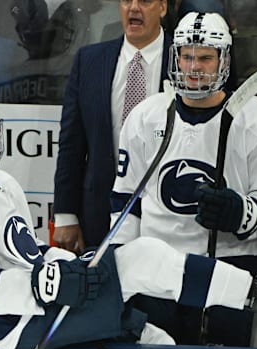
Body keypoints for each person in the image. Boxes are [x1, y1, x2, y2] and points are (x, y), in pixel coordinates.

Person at [0, 86, 257, 349]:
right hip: (9, 324)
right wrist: (46, 285)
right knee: (143, 260)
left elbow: (25, 258)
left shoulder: (3, 183)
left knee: (154, 339)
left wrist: (61, 268)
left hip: (37, 304)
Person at [110, 12, 257, 346]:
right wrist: (122, 271)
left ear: (224, 61)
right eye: (186, 56)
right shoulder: (145, 117)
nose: (193, 67)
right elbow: (125, 201)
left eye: (205, 57)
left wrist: (240, 213)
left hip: (229, 270)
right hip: (157, 272)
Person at [52, 0, 171, 254]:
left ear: (163, 7)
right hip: (99, 214)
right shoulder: (89, 61)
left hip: (170, 217)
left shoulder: (189, 61)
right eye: (127, 0)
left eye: (145, 1)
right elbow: (71, 144)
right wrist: (65, 214)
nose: (134, 8)